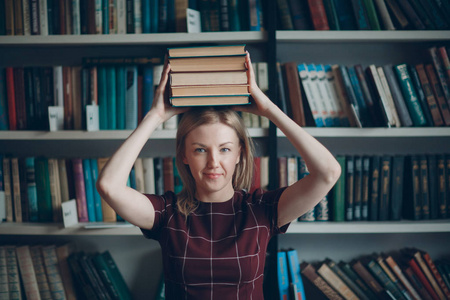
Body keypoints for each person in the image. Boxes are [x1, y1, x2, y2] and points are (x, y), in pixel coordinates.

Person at [96, 51, 341, 299]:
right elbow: (109, 186)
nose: (214, 162)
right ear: (184, 155)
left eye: (224, 149)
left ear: (240, 154)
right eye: (200, 150)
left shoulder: (262, 210)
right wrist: (155, 116)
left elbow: (328, 173)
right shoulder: (167, 214)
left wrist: (269, 109)